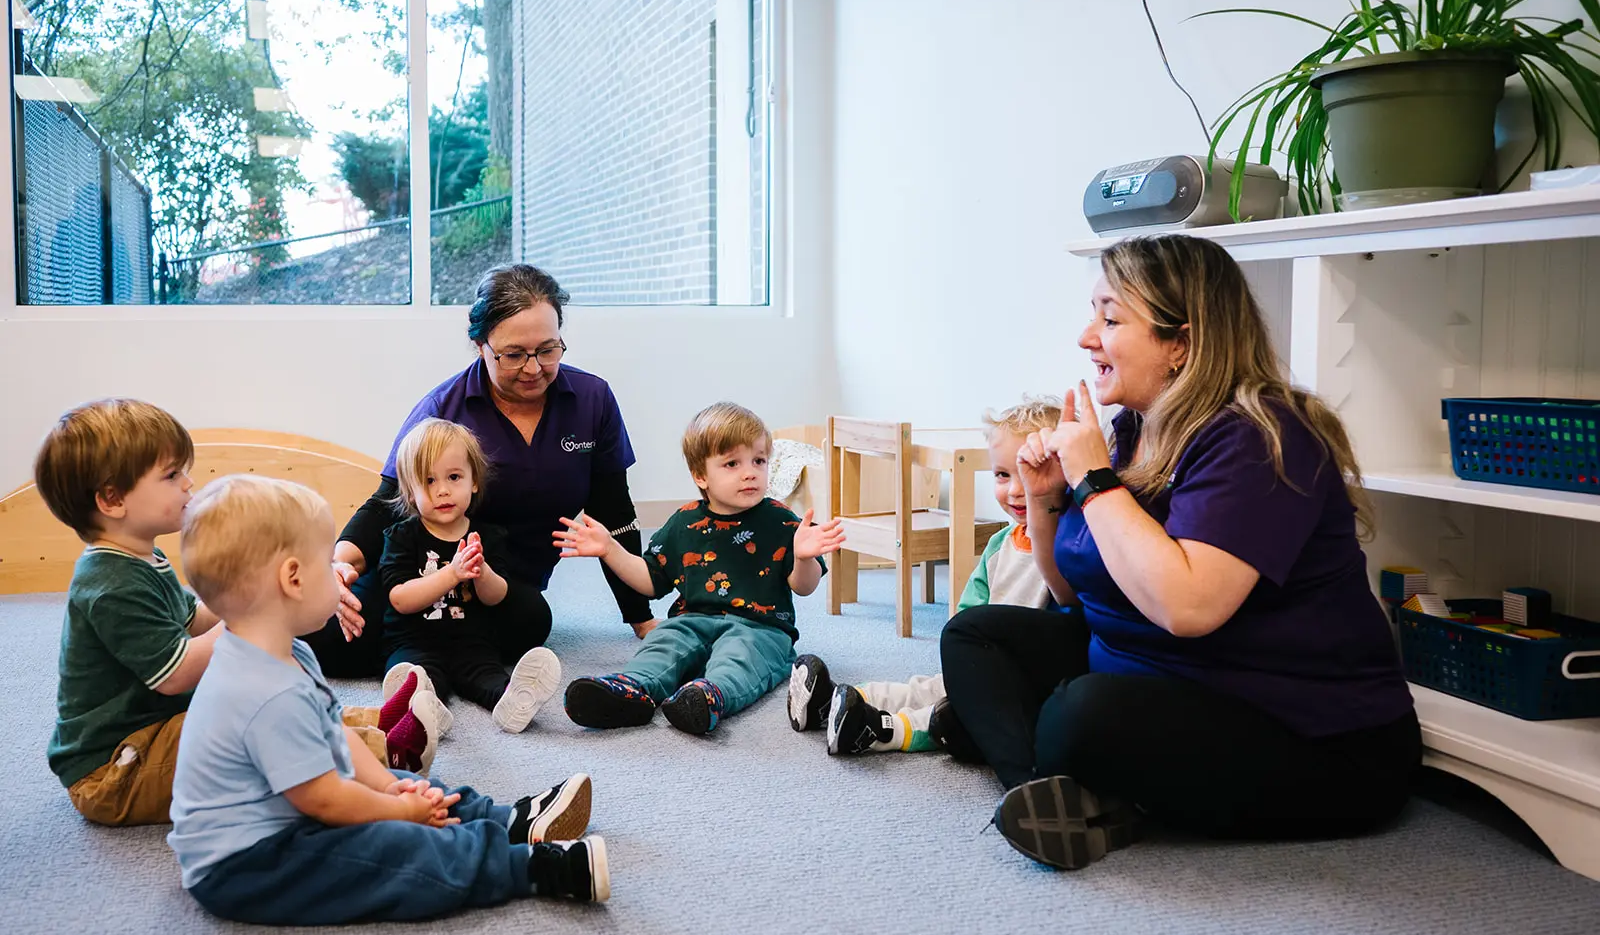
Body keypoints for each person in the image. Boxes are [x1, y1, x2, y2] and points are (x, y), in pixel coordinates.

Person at [941, 234, 1421, 872]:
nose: (1088, 337)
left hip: (1311, 737)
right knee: (976, 636)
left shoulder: (1263, 434)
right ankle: (1049, 794)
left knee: (1077, 716)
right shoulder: (1138, 428)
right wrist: (1048, 497)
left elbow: (1188, 607)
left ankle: (1060, 770)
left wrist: (1094, 481)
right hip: (1155, 677)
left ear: (1182, 344)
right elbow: (1068, 593)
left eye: (1111, 319)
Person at [168, 474, 607, 925]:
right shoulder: (263, 692)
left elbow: (334, 732)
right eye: (328, 562)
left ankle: (506, 820)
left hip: (290, 815)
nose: (347, 574)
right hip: (251, 864)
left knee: (398, 778)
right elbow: (325, 801)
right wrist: (399, 811)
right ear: (293, 579)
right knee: (393, 849)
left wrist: (385, 787)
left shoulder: (288, 651)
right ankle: (529, 869)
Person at [306, 264, 657, 679]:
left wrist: (642, 619)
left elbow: (613, 511)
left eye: (548, 350)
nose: (533, 368)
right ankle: (427, 657)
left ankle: (432, 654)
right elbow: (386, 505)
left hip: (501, 585)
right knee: (325, 639)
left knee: (532, 625)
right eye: (513, 355)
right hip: (422, 574)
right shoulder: (443, 409)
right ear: (480, 346)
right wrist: (340, 565)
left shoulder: (592, 400)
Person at [788, 396, 1061, 756]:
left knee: (945, 712)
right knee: (928, 686)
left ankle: (879, 730)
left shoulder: (1066, 545)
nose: (1013, 490)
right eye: (1002, 475)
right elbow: (970, 610)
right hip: (983, 663)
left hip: (1018, 682)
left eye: (1028, 476)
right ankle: (837, 698)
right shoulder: (1000, 544)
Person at [554, 402, 846, 735]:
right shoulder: (684, 522)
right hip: (692, 619)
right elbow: (651, 580)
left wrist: (804, 556)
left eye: (759, 461)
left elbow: (803, 586)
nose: (750, 472)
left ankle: (709, 696)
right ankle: (633, 688)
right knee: (664, 639)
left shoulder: (782, 520)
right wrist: (610, 549)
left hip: (760, 627)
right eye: (732, 463)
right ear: (701, 475)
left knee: (740, 657)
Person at [34, 399, 224, 826]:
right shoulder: (111, 583)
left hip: (154, 733)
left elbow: (192, 619)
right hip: (114, 769)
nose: (189, 484)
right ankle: (375, 753)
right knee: (251, 734)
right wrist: (253, 620)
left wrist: (251, 599)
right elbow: (176, 674)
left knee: (267, 706)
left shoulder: (139, 556)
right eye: (172, 475)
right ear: (112, 499)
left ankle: (380, 728)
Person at [379, 417, 562, 739]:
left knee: (487, 675)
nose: (443, 490)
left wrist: (482, 572)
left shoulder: (487, 536)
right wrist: (452, 573)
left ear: (474, 481)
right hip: (415, 640)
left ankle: (512, 700)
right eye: (429, 481)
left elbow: (496, 597)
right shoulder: (402, 537)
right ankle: (422, 706)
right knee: (417, 674)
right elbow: (400, 599)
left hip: (473, 639)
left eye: (453, 477)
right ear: (410, 492)